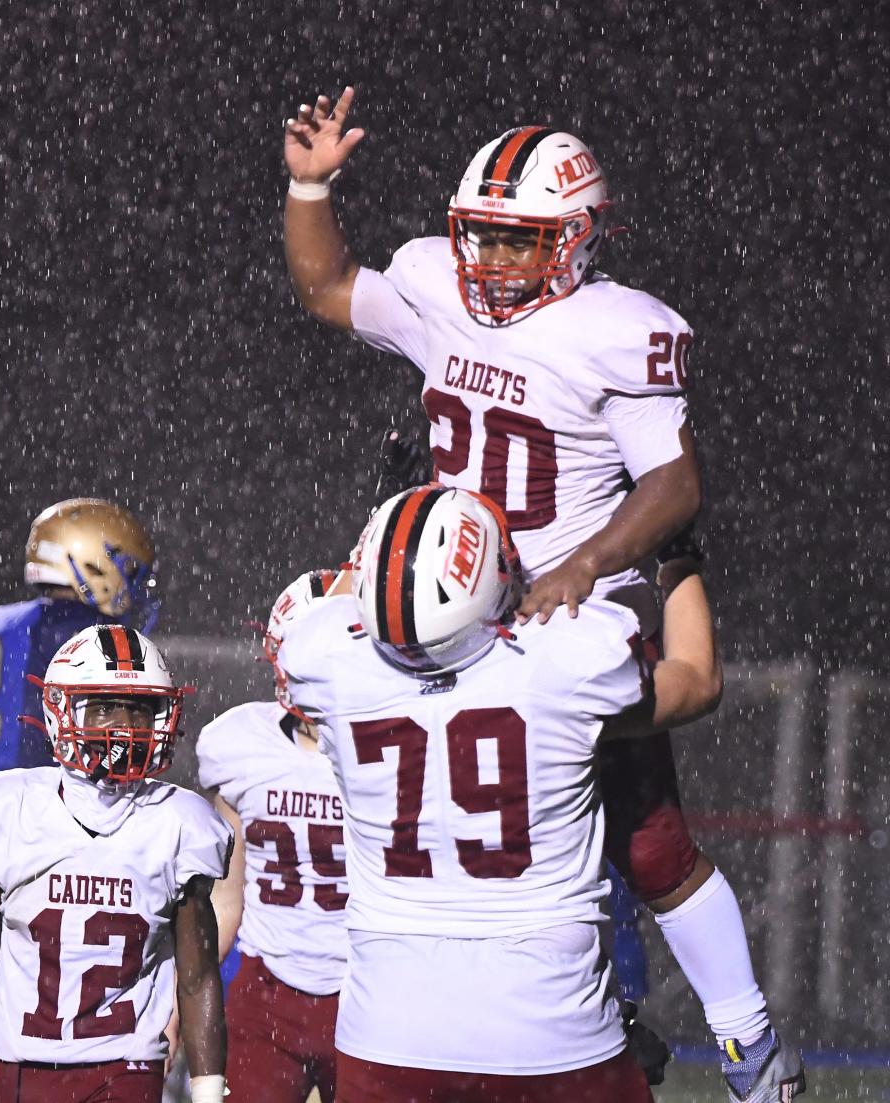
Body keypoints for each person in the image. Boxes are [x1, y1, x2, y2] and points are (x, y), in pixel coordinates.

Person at [282, 91, 803, 1102]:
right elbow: (327, 285)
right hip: (436, 612)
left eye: (518, 243)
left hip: (557, 622)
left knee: (648, 842)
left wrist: (585, 562)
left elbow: (674, 484)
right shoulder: (437, 280)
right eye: (476, 234)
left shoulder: (620, 330)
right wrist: (310, 185)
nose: (488, 261)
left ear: (575, 239)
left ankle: (747, 1043)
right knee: (430, 838)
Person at [273, 487, 722, 1102]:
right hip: (551, 1034)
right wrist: (677, 560)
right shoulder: (567, 661)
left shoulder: (326, 660)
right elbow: (697, 682)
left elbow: (371, 600)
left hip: (388, 1034)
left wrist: (381, 529)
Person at [0, 624, 231, 1103]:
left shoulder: (179, 822)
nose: (123, 725)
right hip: (22, 1073)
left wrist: (208, 1094)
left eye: (139, 709)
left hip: (126, 1070)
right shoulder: (9, 808)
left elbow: (198, 975)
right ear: (62, 711)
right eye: (103, 707)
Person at [0, 498, 159, 1102]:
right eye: (128, 568)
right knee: (37, 1016)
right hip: (33, 831)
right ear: (90, 560)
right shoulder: (73, 633)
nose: (137, 588)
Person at [195, 570, 348, 1103]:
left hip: (372, 993)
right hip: (267, 994)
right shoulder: (241, 746)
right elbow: (226, 896)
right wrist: (177, 1000)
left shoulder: (399, 746)